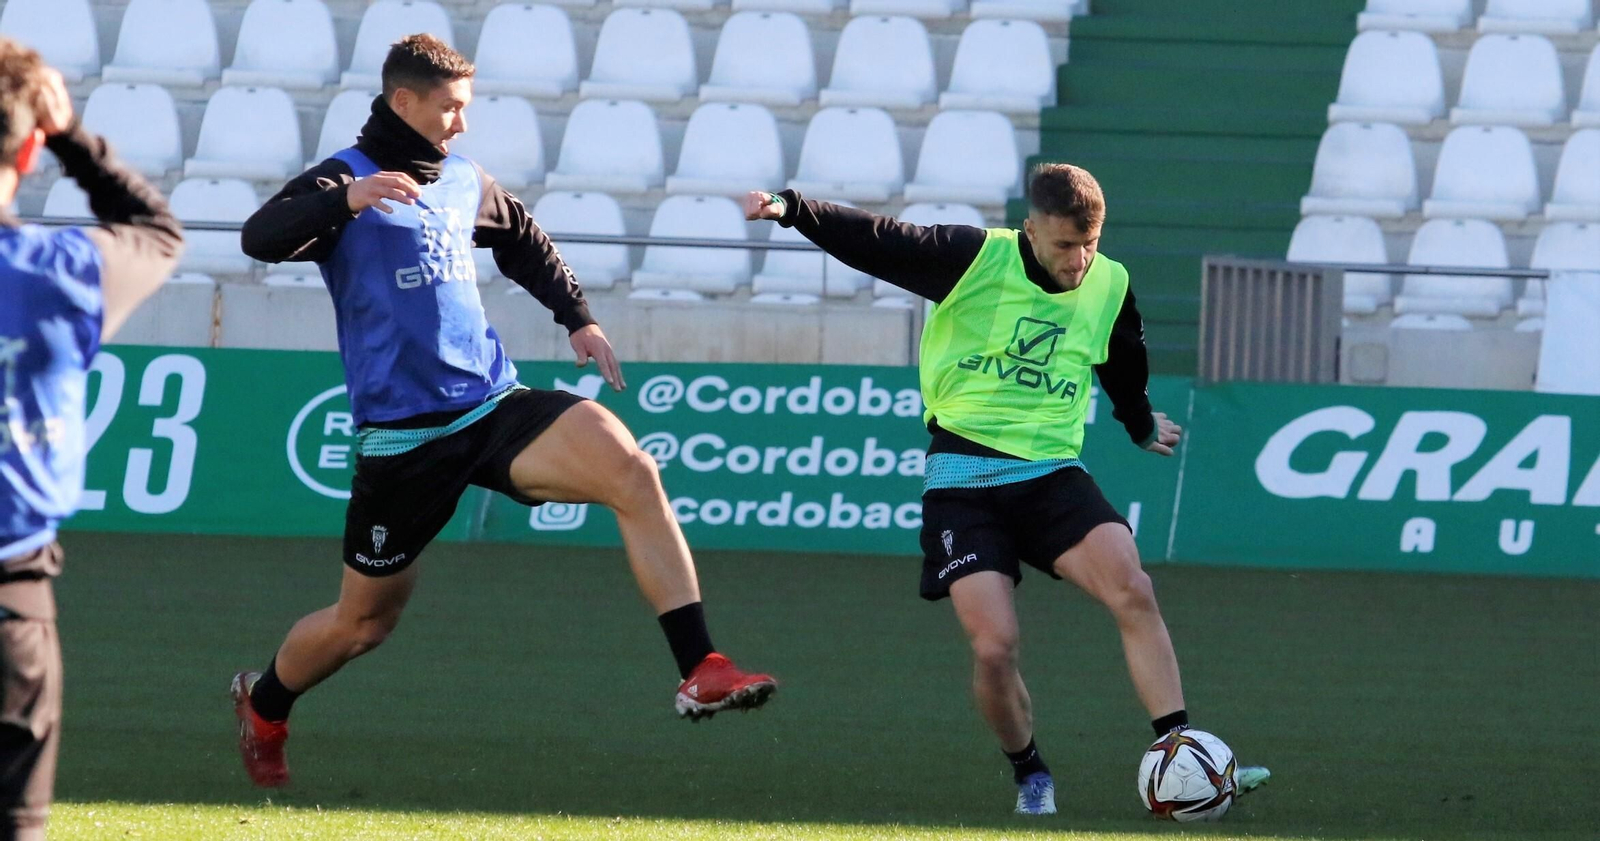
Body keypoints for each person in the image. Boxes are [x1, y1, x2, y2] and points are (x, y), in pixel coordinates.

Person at [231, 34, 775, 789]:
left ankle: (700, 666)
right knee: (364, 624)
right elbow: (258, 237)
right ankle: (264, 705)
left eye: (465, 108)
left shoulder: (461, 178)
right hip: (403, 439)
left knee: (630, 467)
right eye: (450, 108)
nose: (461, 123)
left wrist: (576, 316)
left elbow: (523, 239)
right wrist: (344, 200)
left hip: (492, 404)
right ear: (403, 102)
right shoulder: (345, 178)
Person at [742, 166, 1268, 815]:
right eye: (1063, 246)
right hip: (963, 483)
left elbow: (1123, 360)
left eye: (1089, 244)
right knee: (995, 648)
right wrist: (790, 208)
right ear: (1030, 229)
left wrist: (1136, 423)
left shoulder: (1110, 282)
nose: (1078, 261)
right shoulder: (973, 258)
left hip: (1051, 473)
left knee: (1132, 585)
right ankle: (1031, 772)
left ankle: (1179, 747)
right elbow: (878, 238)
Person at [0, 40, 185, 840]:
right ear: (31, 145)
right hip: (13, 605)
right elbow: (155, 228)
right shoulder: (61, 272)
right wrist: (76, 136)